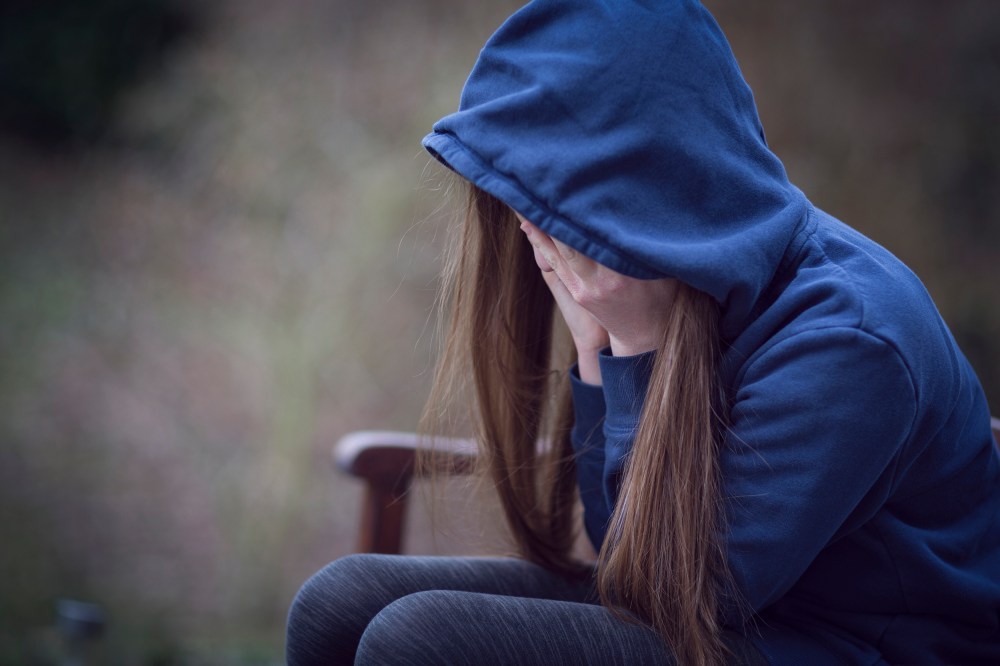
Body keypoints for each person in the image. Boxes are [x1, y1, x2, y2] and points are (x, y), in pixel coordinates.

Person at [286, 1, 1000, 664]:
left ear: (650, 187)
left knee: (418, 643)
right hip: (725, 605)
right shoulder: (682, 284)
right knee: (340, 600)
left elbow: (682, 597)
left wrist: (635, 349)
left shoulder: (850, 340)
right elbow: (619, 548)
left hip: (855, 642)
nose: (537, 236)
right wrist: (598, 354)